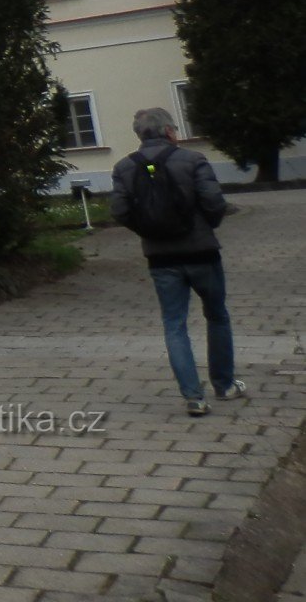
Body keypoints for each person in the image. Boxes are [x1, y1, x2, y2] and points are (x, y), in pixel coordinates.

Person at [109, 107, 245, 416]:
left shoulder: (124, 167)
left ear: (139, 134)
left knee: (174, 324)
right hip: (202, 252)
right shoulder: (194, 160)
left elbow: (118, 210)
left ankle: (193, 397)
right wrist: (206, 226)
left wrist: (147, 231)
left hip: (161, 257)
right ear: (170, 131)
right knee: (217, 315)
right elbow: (214, 202)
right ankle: (224, 384)